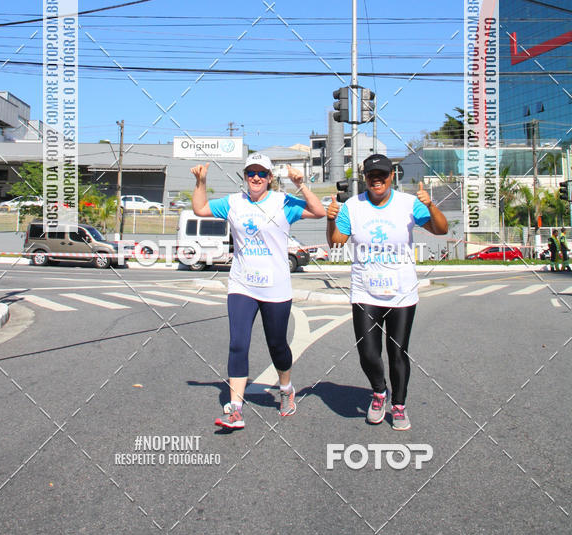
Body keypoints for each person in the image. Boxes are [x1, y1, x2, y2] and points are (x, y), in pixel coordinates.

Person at [191, 152, 325, 429]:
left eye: (261, 173)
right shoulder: (233, 202)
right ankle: (235, 408)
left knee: (277, 346)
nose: (255, 177)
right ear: (244, 176)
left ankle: (286, 389)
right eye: (251, 172)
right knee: (238, 343)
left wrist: (300, 184)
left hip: (276, 287)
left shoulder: (283, 202)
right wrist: (201, 182)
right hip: (242, 284)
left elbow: (319, 211)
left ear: (270, 178)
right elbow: (200, 210)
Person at [326, 154, 448, 431]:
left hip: (401, 291)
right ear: (365, 178)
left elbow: (441, 230)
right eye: (371, 175)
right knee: (368, 353)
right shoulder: (351, 207)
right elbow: (336, 243)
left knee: (397, 352)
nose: (376, 179)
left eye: (382, 175)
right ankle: (379, 391)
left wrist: (431, 206)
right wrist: (331, 220)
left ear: (392, 176)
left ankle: (399, 406)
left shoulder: (409, 204)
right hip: (365, 290)